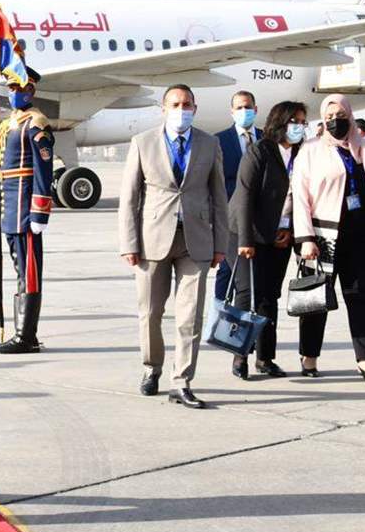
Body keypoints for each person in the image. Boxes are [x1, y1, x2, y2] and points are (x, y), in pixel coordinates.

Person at [118, 84, 227, 409]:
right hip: (152, 240)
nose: (182, 110)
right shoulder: (143, 142)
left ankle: (182, 381)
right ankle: (152, 367)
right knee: (151, 312)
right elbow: (129, 197)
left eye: (187, 104)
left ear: (195, 108)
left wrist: (221, 243)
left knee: (189, 317)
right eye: (175, 104)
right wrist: (129, 242)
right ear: (163, 109)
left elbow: (219, 197)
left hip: (196, 240)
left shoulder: (209, 143)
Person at [291, 93, 365, 382]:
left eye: (341, 116)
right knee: (317, 298)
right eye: (329, 117)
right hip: (323, 237)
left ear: (350, 116)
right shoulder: (310, 150)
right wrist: (305, 238)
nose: (336, 121)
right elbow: (300, 197)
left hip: (361, 234)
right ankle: (309, 356)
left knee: (361, 297)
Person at [228, 100, 308, 379]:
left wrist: (292, 231)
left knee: (269, 296)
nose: (299, 127)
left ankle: (265, 358)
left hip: (280, 234)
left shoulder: (302, 154)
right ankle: (239, 355)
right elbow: (245, 195)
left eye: (303, 122)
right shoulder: (260, 150)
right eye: (294, 121)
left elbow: (303, 197)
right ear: (280, 122)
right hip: (245, 233)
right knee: (247, 293)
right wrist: (246, 240)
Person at [0, 69, 53, 354]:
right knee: (20, 270)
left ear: (31, 90)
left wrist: (39, 212)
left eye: (19, 88)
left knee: (28, 273)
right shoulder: (10, 124)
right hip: (11, 208)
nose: (14, 93)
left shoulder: (35, 123)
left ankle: (25, 337)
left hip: (26, 208)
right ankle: (23, 334)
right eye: (10, 88)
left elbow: (43, 169)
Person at [211, 89, 260, 359]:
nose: (244, 111)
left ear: (256, 109)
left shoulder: (265, 139)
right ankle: (222, 319)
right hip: (229, 220)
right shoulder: (220, 141)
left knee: (250, 280)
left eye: (248, 106)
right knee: (229, 273)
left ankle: (249, 337)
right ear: (232, 112)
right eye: (239, 107)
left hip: (259, 223)